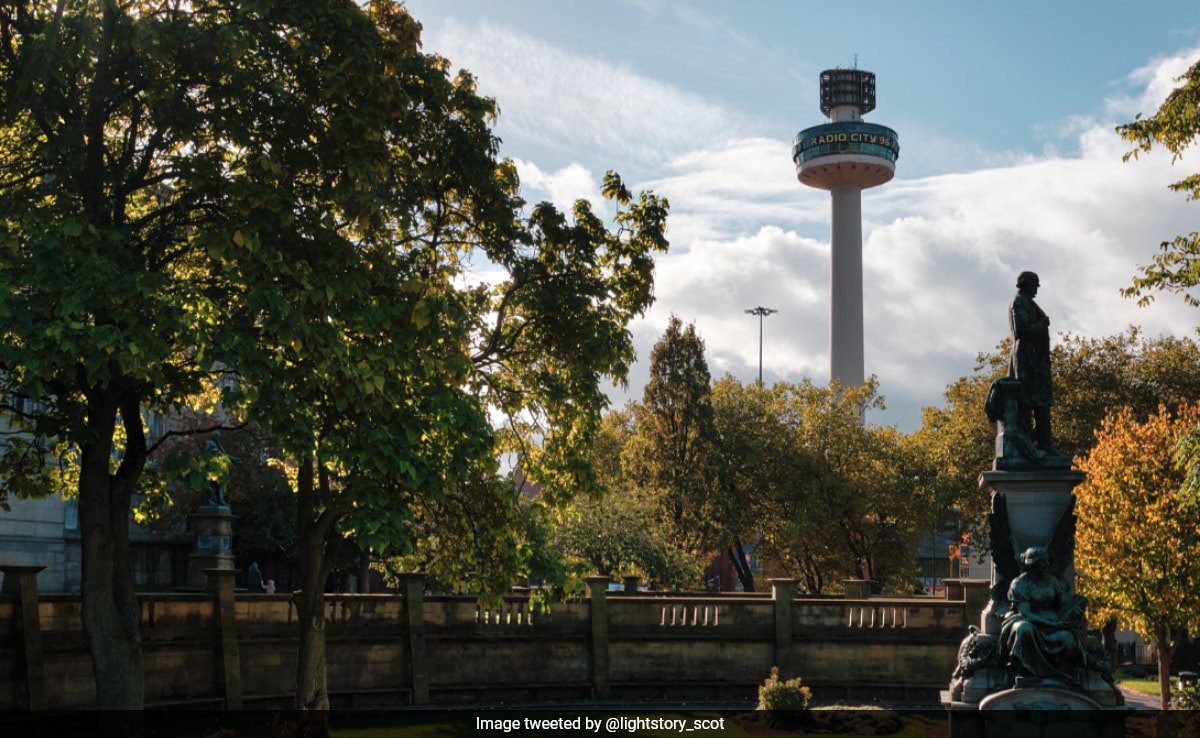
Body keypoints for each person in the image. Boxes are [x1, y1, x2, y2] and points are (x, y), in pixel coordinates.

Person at [999, 547, 1086, 683]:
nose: (1046, 564)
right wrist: (1053, 624)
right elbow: (1026, 614)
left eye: (1046, 561)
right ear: (1032, 564)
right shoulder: (1020, 584)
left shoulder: (1052, 581)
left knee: (1067, 638)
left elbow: (1065, 604)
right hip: (1030, 621)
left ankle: (1061, 675)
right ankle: (1026, 673)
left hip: (1053, 622)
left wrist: (1074, 612)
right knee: (1024, 630)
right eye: (1042, 562)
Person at [1008, 271, 1057, 455]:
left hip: (1036, 360)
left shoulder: (1027, 302)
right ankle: (1030, 445)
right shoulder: (1019, 301)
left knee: (1041, 402)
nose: (1037, 287)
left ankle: (1044, 444)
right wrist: (1042, 324)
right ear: (1026, 284)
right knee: (1027, 402)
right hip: (1027, 360)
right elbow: (1021, 329)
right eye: (1035, 283)